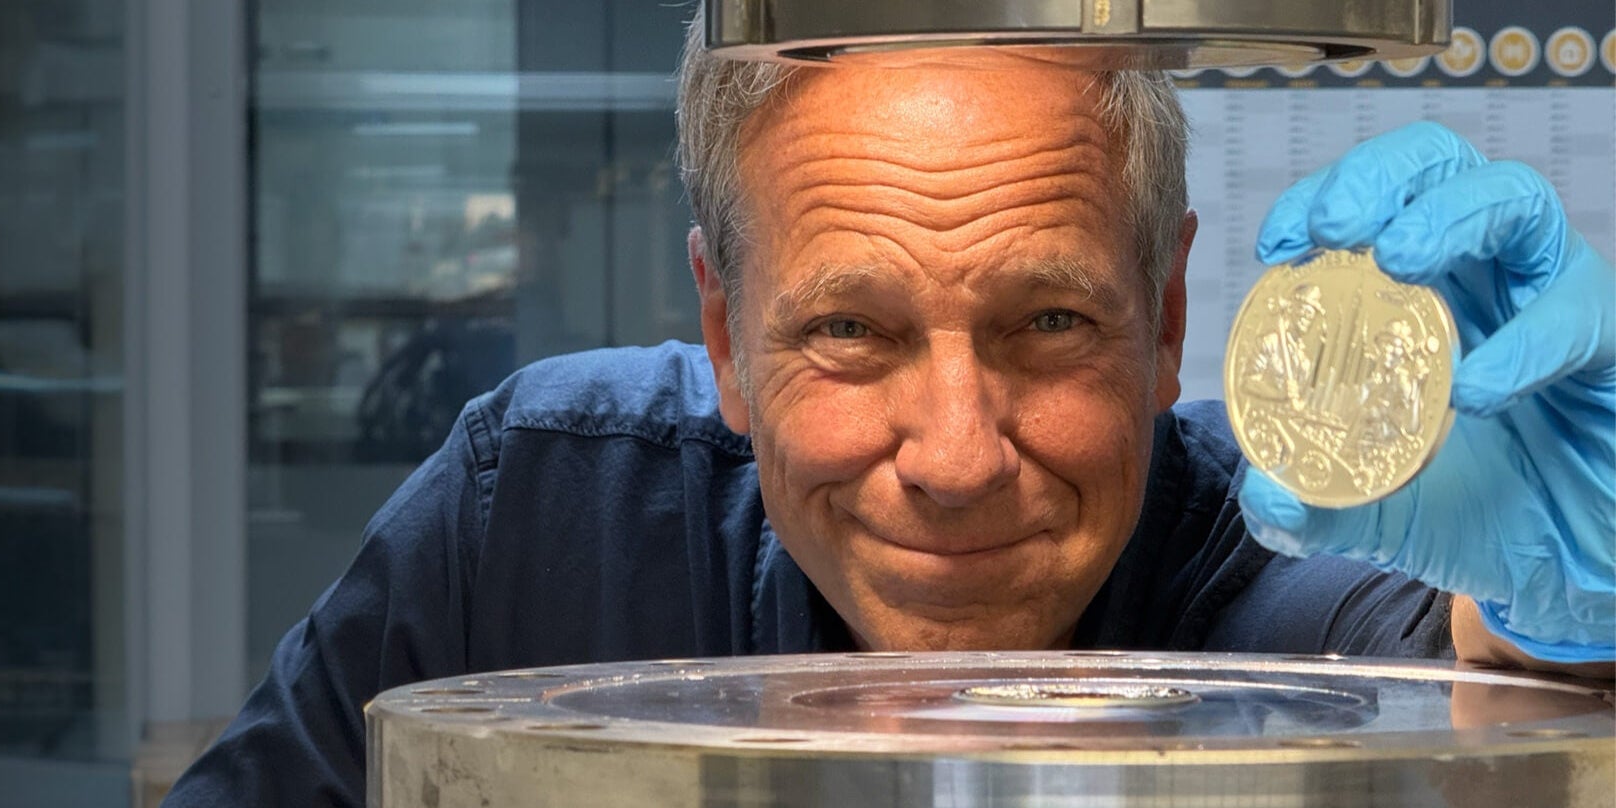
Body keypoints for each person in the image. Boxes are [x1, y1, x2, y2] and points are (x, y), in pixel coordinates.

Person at [161, 9, 1616, 806]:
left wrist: (1578, 624)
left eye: (1050, 324)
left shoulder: (1308, 550)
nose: (958, 457)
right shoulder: (538, 511)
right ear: (726, 333)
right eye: (849, 331)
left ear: (1168, 316)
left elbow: (1482, 662)